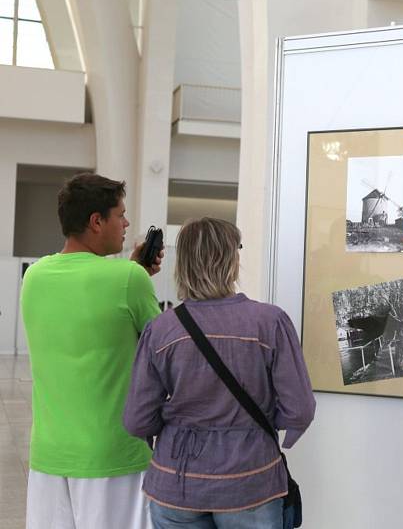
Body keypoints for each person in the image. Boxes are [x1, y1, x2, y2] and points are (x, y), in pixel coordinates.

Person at [123, 217, 315, 529]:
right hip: (251, 480)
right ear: (231, 260)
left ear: (182, 263)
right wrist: (256, 428)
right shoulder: (270, 323)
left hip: (176, 483)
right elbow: (300, 411)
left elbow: (136, 419)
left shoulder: (161, 330)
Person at [21, 172, 164, 528]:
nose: (127, 223)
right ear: (96, 221)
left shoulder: (34, 277)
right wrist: (138, 274)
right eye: (120, 214)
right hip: (114, 457)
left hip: (49, 456)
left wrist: (133, 272)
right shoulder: (129, 279)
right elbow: (164, 349)